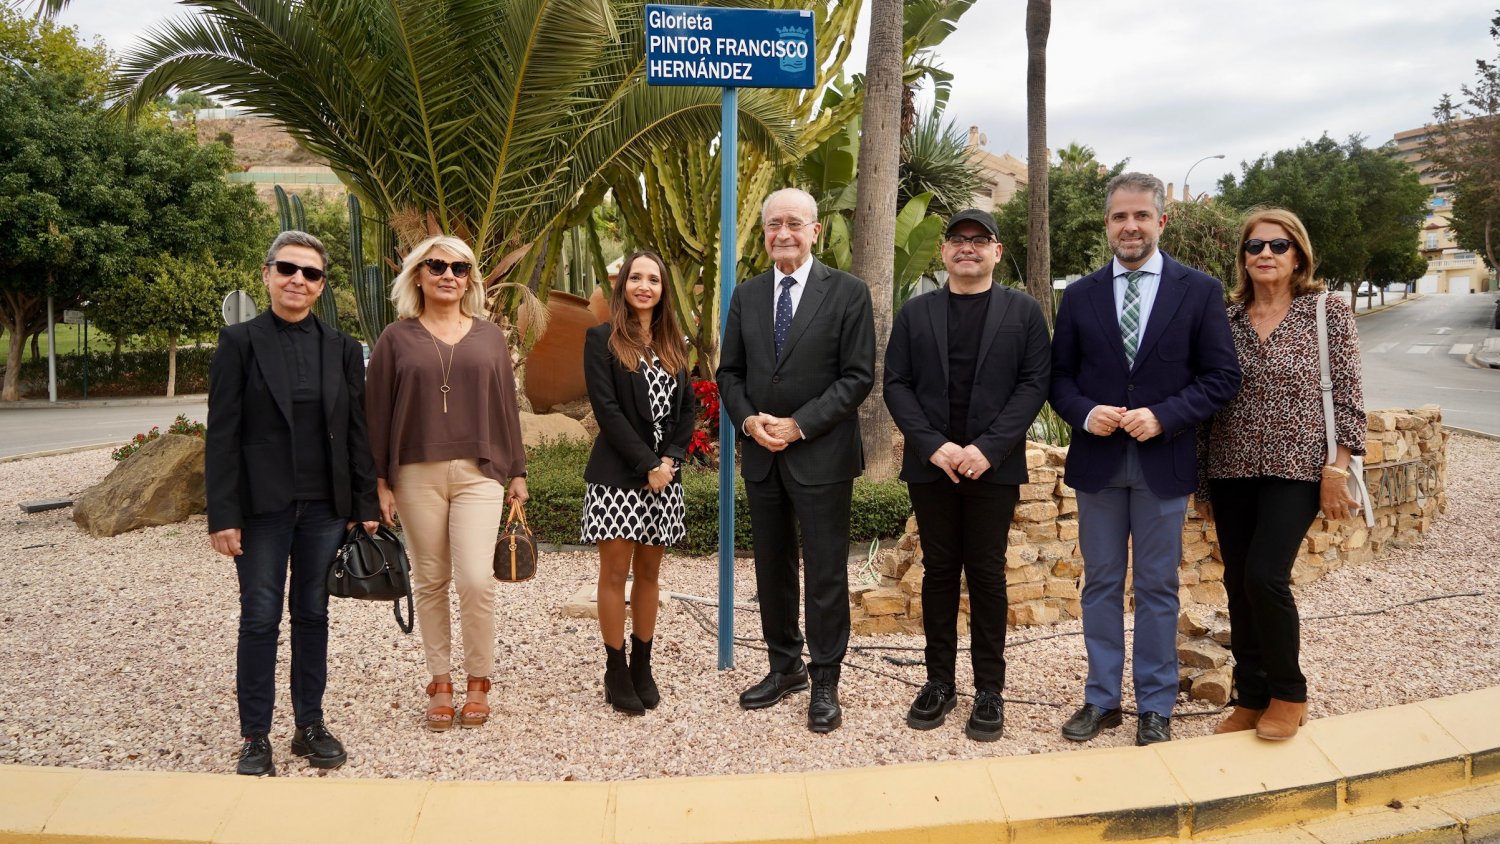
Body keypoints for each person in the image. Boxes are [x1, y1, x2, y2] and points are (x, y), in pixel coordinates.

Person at [1049, 172, 1241, 746]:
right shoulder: (1079, 294)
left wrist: (1164, 415)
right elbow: (1059, 378)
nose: (1129, 226)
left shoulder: (1199, 290)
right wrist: (1084, 413)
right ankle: (1102, 700)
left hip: (1164, 462)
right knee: (1101, 584)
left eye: (1140, 216)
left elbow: (1221, 376)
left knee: (1158, 587)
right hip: (1099, 464)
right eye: (1118, 217)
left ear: (1162, 220)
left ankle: (1154, 705)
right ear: (1107, 224)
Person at [206, 230, 379, 776]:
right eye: (288, 269)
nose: (298, 280)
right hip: (261, 509)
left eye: (310, 274)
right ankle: (255, 735)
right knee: (259, 618)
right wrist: (223, 513)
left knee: (312, 614)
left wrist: (364, 500)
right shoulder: (238, 343)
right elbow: (222, 434)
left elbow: (357, 430)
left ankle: (309, 724)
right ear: (267, 274)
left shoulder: (344, 348)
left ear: (322, 285)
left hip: (324, 508)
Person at [1196, 208, 1364, 741]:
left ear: (1298, 256)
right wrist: (1202, 483)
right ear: (1243, 258)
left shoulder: (1325, 312)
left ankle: (1289, 693)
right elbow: (1206, 401)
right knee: (1236, 582)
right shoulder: (1223, 318)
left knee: (1265, 577)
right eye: (1254, 246)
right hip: (1230, 464)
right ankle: (1251, 696)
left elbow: (1350, 394)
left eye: (1278, 245)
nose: (1265, 254)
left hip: (1298, 468)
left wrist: (1337, 469)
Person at [883, 209, 1051, 741]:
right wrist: (934, 447)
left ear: (997, 252)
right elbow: (897, 384)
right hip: (932, 467)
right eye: (958, 240)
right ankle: (939, 683)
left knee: (986, 575)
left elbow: (1033, 384)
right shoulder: (916, 314)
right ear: (944, 252)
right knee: (937, 574)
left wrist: (988, 448)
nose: (968, 248)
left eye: (980, 240)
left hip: (992, 469)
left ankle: (989, 690)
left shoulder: (1023, 313)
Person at [716, 187, 875, 733]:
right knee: (772, 569)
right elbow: (729, 373)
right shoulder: (747, 295)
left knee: (825, 572)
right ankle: (785, 668)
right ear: (764, 234)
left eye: (793, 223)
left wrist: (800, 423)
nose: (782, 233)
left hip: (821, 455)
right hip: (763, 455)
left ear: (815, 231)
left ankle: (825, 679)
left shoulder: (849, 293)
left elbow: (857, 377)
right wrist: (748, 420)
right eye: (772, 225)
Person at [364, 235, 528, 732]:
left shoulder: (489, 337)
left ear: (470, 279)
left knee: (476, 580)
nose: (448, 275)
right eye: (436, 266)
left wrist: (517, 471)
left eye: (459, 268)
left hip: (480, 474)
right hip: (414, 474)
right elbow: (376, 414)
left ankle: (479, 679)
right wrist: (379, 481)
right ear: (418, 274)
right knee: (430, 581)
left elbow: (505, 408)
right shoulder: (395, 337)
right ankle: (440, 681)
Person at [580, 250, 697, 715]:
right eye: (635, 277)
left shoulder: (674, 344)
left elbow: (686, 411)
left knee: (650, 575)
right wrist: (647, 463)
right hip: (617, 478)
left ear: (663, 288)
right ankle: (615, 668)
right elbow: (606, 411)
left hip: (663, 479)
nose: (644, 286)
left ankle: (643, 664)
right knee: (614, 575)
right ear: (622, 285)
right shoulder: (600, 340)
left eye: (653, 278)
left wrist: (669, 460)